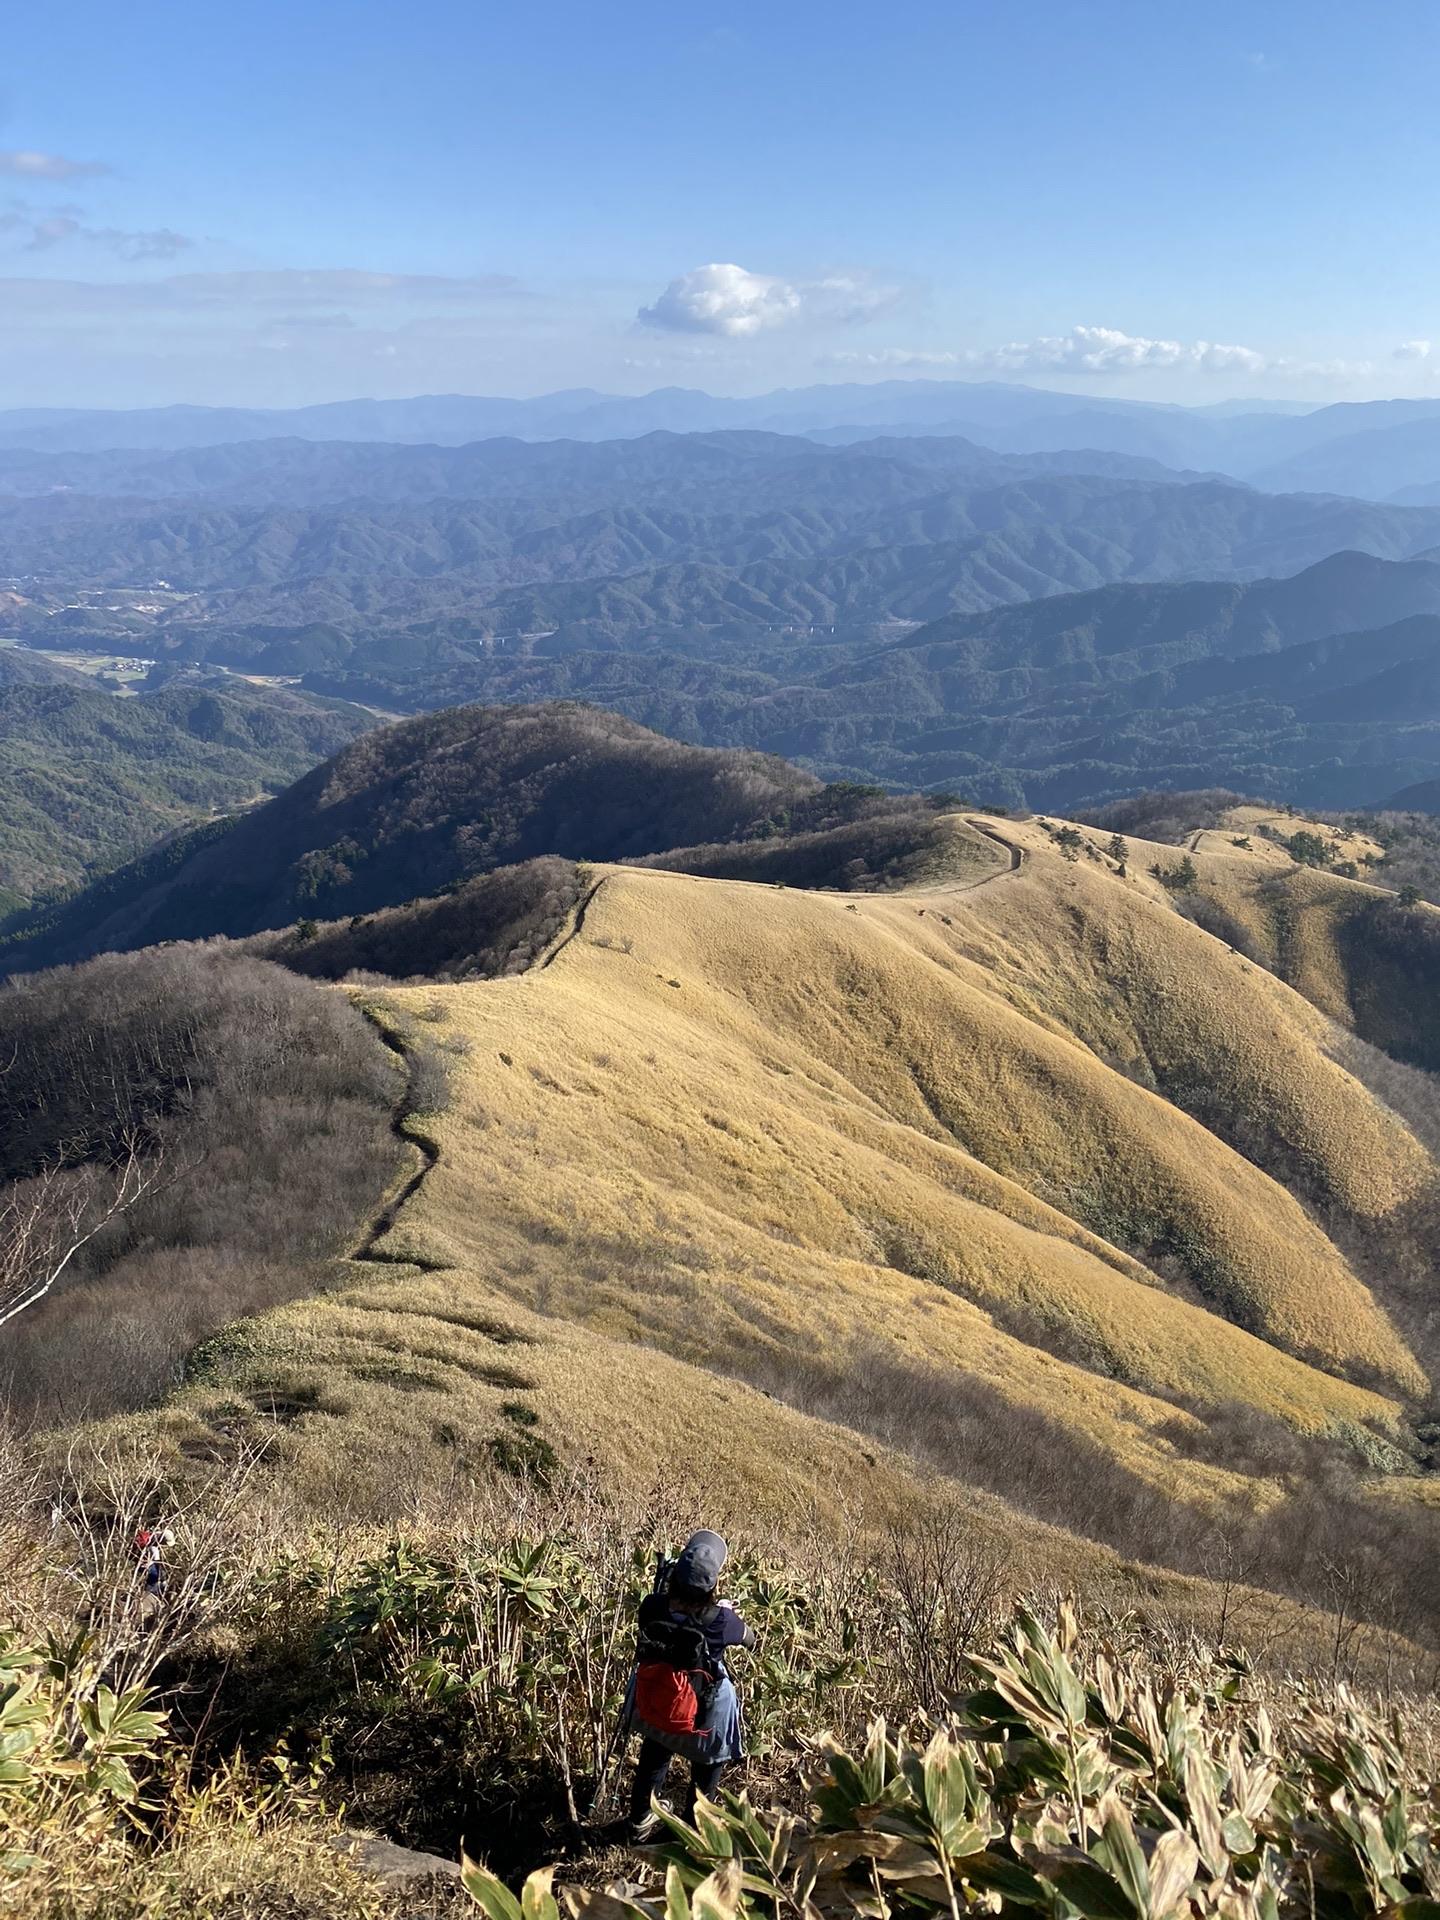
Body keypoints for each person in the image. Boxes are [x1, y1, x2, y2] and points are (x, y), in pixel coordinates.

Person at [623, 1529, 757, 1839]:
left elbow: (663, 1617)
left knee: (655, 1754)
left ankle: (641, 1819)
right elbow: (751, 1639)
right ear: (711, 1587)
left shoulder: (652, 1606)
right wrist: (726, 1612)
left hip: (657, 1705)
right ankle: (695, 1831)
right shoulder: (722, 1621)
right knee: (706, 1769)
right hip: (702, 1720)